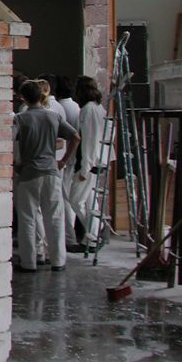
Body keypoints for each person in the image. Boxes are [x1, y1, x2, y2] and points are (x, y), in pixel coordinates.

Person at [13, 79, 80, 272]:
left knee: (28, 218)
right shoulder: (53, 117)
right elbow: (75, 137)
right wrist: (63, 161)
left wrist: (15, 165)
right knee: (55, 218)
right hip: (51, 171)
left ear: (23, 97)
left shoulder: (20, 119)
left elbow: (9, 141)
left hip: (29, 173)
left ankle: (29, 262)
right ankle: (58, 261)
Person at [69, 75, 111, 247]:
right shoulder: (98, 108)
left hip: (90, 162)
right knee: (88, 201)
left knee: (75, 199)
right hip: (97, 160)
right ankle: (92, 236)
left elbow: (90, 140)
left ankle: (95, 230)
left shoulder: (88, 110)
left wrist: (85, 168)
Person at [54, 74, 83, 250]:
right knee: (68, 198)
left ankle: (69, 237)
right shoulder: (76, 107)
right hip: (72, 157)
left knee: (64, 198)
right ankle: (70, 236)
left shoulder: (60, 108)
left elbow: (71, 136)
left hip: (64, 158)